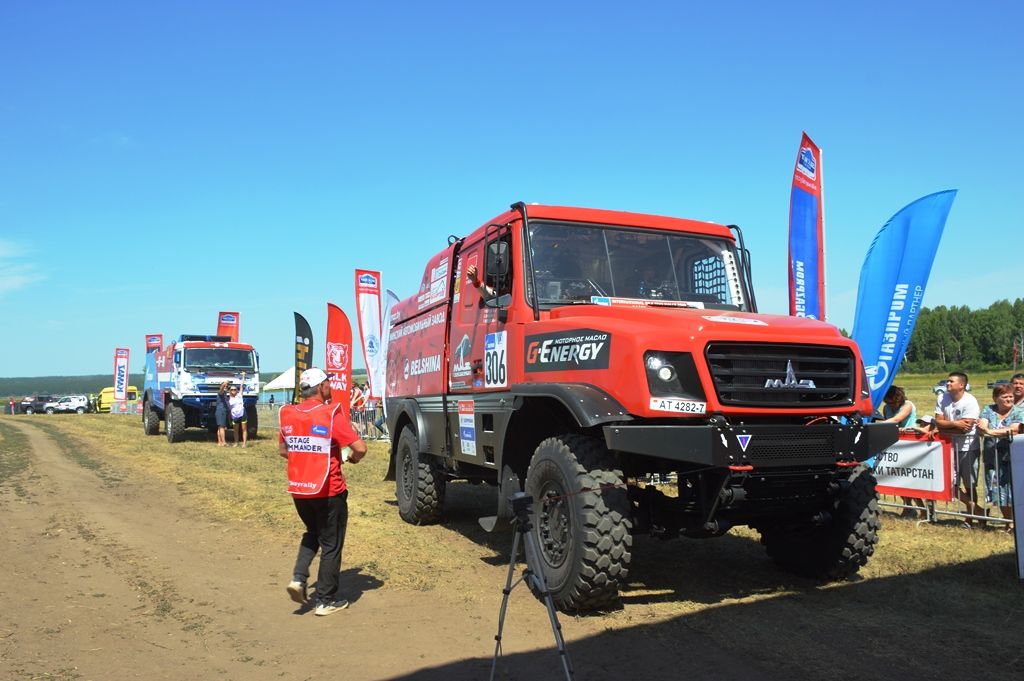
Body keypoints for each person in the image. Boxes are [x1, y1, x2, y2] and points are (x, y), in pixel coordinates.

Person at [279, 367, 367, 616]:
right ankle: (326, 600)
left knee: (312, 533)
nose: (331, 386)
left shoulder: (288, 414)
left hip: (300, 490)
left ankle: (298, 578)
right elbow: (359, 447)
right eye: (328, 383)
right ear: (321, 387)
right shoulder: (329, 414)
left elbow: (284, 451)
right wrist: (353, 459)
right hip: (329, 490)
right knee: (331, 544)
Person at [927, 371, 981, 527]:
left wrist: (944, 428)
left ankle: (970, 518)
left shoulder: (970, 401)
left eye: (951, 381)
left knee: (969, 484)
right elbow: (938, 421)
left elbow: (966, 428)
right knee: (949, 483)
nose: (947, 384)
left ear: (961, 385)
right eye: (947, 382)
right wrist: (956, 424)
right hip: (948, 446)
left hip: (968, 447)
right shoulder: (942, 398)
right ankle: (977, 510)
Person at [977, 384, 1023, 533]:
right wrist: (984, 429)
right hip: (993, 457)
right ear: (996, 398)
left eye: (1010, 396)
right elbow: (982, 424)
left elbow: (1014, 429)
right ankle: (1009, 522)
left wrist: (990, 431)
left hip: (1012, 457)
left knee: (1014, 490)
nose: (1009, 399)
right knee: (998, 491)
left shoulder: (1018, 412)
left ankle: (1018, 521)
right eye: (1005, 396)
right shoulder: (988, 410)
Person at [880, 385, 926, 518]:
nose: (891, 405)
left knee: (911, 480)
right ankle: (907, 506)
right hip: (895, 445)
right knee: (898, 479)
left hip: (910, 445)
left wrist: (875, 426)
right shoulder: (886, 408)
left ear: (898, 398)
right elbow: (888, 422)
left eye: (893, 402)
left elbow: (895, 420)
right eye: (888, 402)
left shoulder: (908, 405)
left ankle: (923, 509)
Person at [215, 381, 230, 447]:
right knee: (222, 427)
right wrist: (225, 382)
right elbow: (221, 388)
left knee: (220, 427)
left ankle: (219, 442)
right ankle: (224, 442)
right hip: (221, 411)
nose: (226, 387)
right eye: (225, 386)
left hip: (221, 411)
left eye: (227, 387)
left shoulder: (224, 393)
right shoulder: (221, 392)